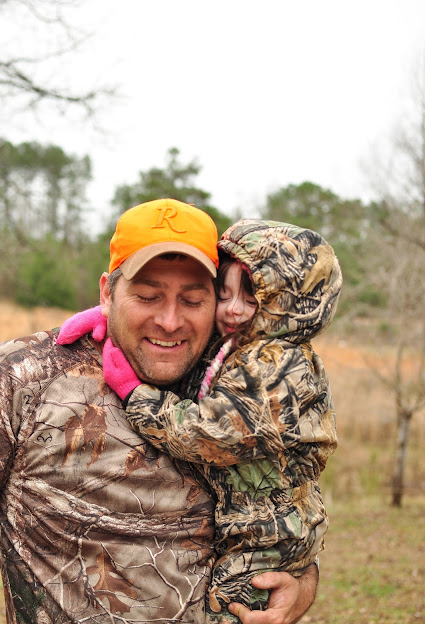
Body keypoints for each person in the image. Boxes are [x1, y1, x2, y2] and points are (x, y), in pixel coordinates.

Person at [0, 199, 318, 624]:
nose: (170, 322)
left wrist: (302, 583)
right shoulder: (23, 379)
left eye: (193, 300)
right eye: (148, 296)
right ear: (107, 294)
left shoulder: (244, 384)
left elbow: (289, 509)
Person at [90, 218, 342, 623]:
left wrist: (136, 395)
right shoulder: (232, 347)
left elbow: (214, 433)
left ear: (285, 305)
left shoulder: (278, 363)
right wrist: (108, 316)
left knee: (231, 610)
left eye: (253, 298)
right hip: (244, 528)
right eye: (223, 294)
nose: (233, 309)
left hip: (263, 537)